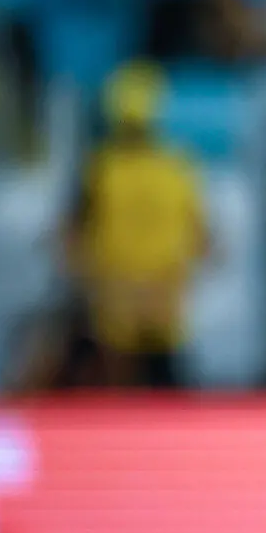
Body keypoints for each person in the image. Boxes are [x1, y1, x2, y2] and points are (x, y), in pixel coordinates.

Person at [65, 63, 211, 388]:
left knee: (124, 388)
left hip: (120, 304)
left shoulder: (100, 169)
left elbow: (71, 238)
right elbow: (205, 240)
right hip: (160, 300)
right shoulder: (179, 167)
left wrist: (91, 280)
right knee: (164, 389)